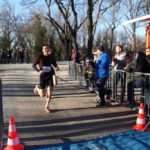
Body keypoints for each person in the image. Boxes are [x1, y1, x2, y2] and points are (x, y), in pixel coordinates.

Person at [32, 46, 59, 113]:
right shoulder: (40, 57)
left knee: (49, 91)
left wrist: (56, 68)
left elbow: (56, 65)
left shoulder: (51, 57)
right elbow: (33, 65)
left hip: (50, 75)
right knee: (42, 95)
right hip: (43, 76)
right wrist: (39, 71)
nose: (46, 49)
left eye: (47, 48)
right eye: (45, 49)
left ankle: (46, 107)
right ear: (42, 50)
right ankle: (37, 87)